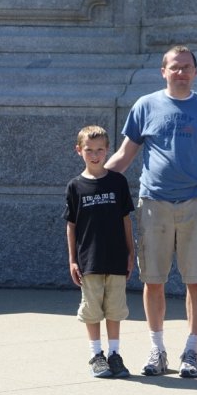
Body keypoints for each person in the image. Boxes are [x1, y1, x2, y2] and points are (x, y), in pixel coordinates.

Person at [105, 45, 197, 378]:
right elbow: (124, 156)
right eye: (175, 67)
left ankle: (192, 350)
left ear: (195, 72)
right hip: (154, 205)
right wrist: (93, 181)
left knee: (195, 280)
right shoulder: (145, 106)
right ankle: (156, 349)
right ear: (163, 71)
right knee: (154, 280)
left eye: (187, 67)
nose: (181, 72)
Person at [64, 125, 135, 379]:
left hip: (116, 258)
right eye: (89, 150)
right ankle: (97, 355)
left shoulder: (118, 182)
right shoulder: (75, 187)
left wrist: (131, 252)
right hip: (89, 261)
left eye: (100, 150)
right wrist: (73, 260)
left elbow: (126, 220)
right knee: (92, 309)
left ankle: (115, 355)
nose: (95, 155)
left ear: (108, 151)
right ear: (79, 151)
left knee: (115, 308)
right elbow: (71, 226)